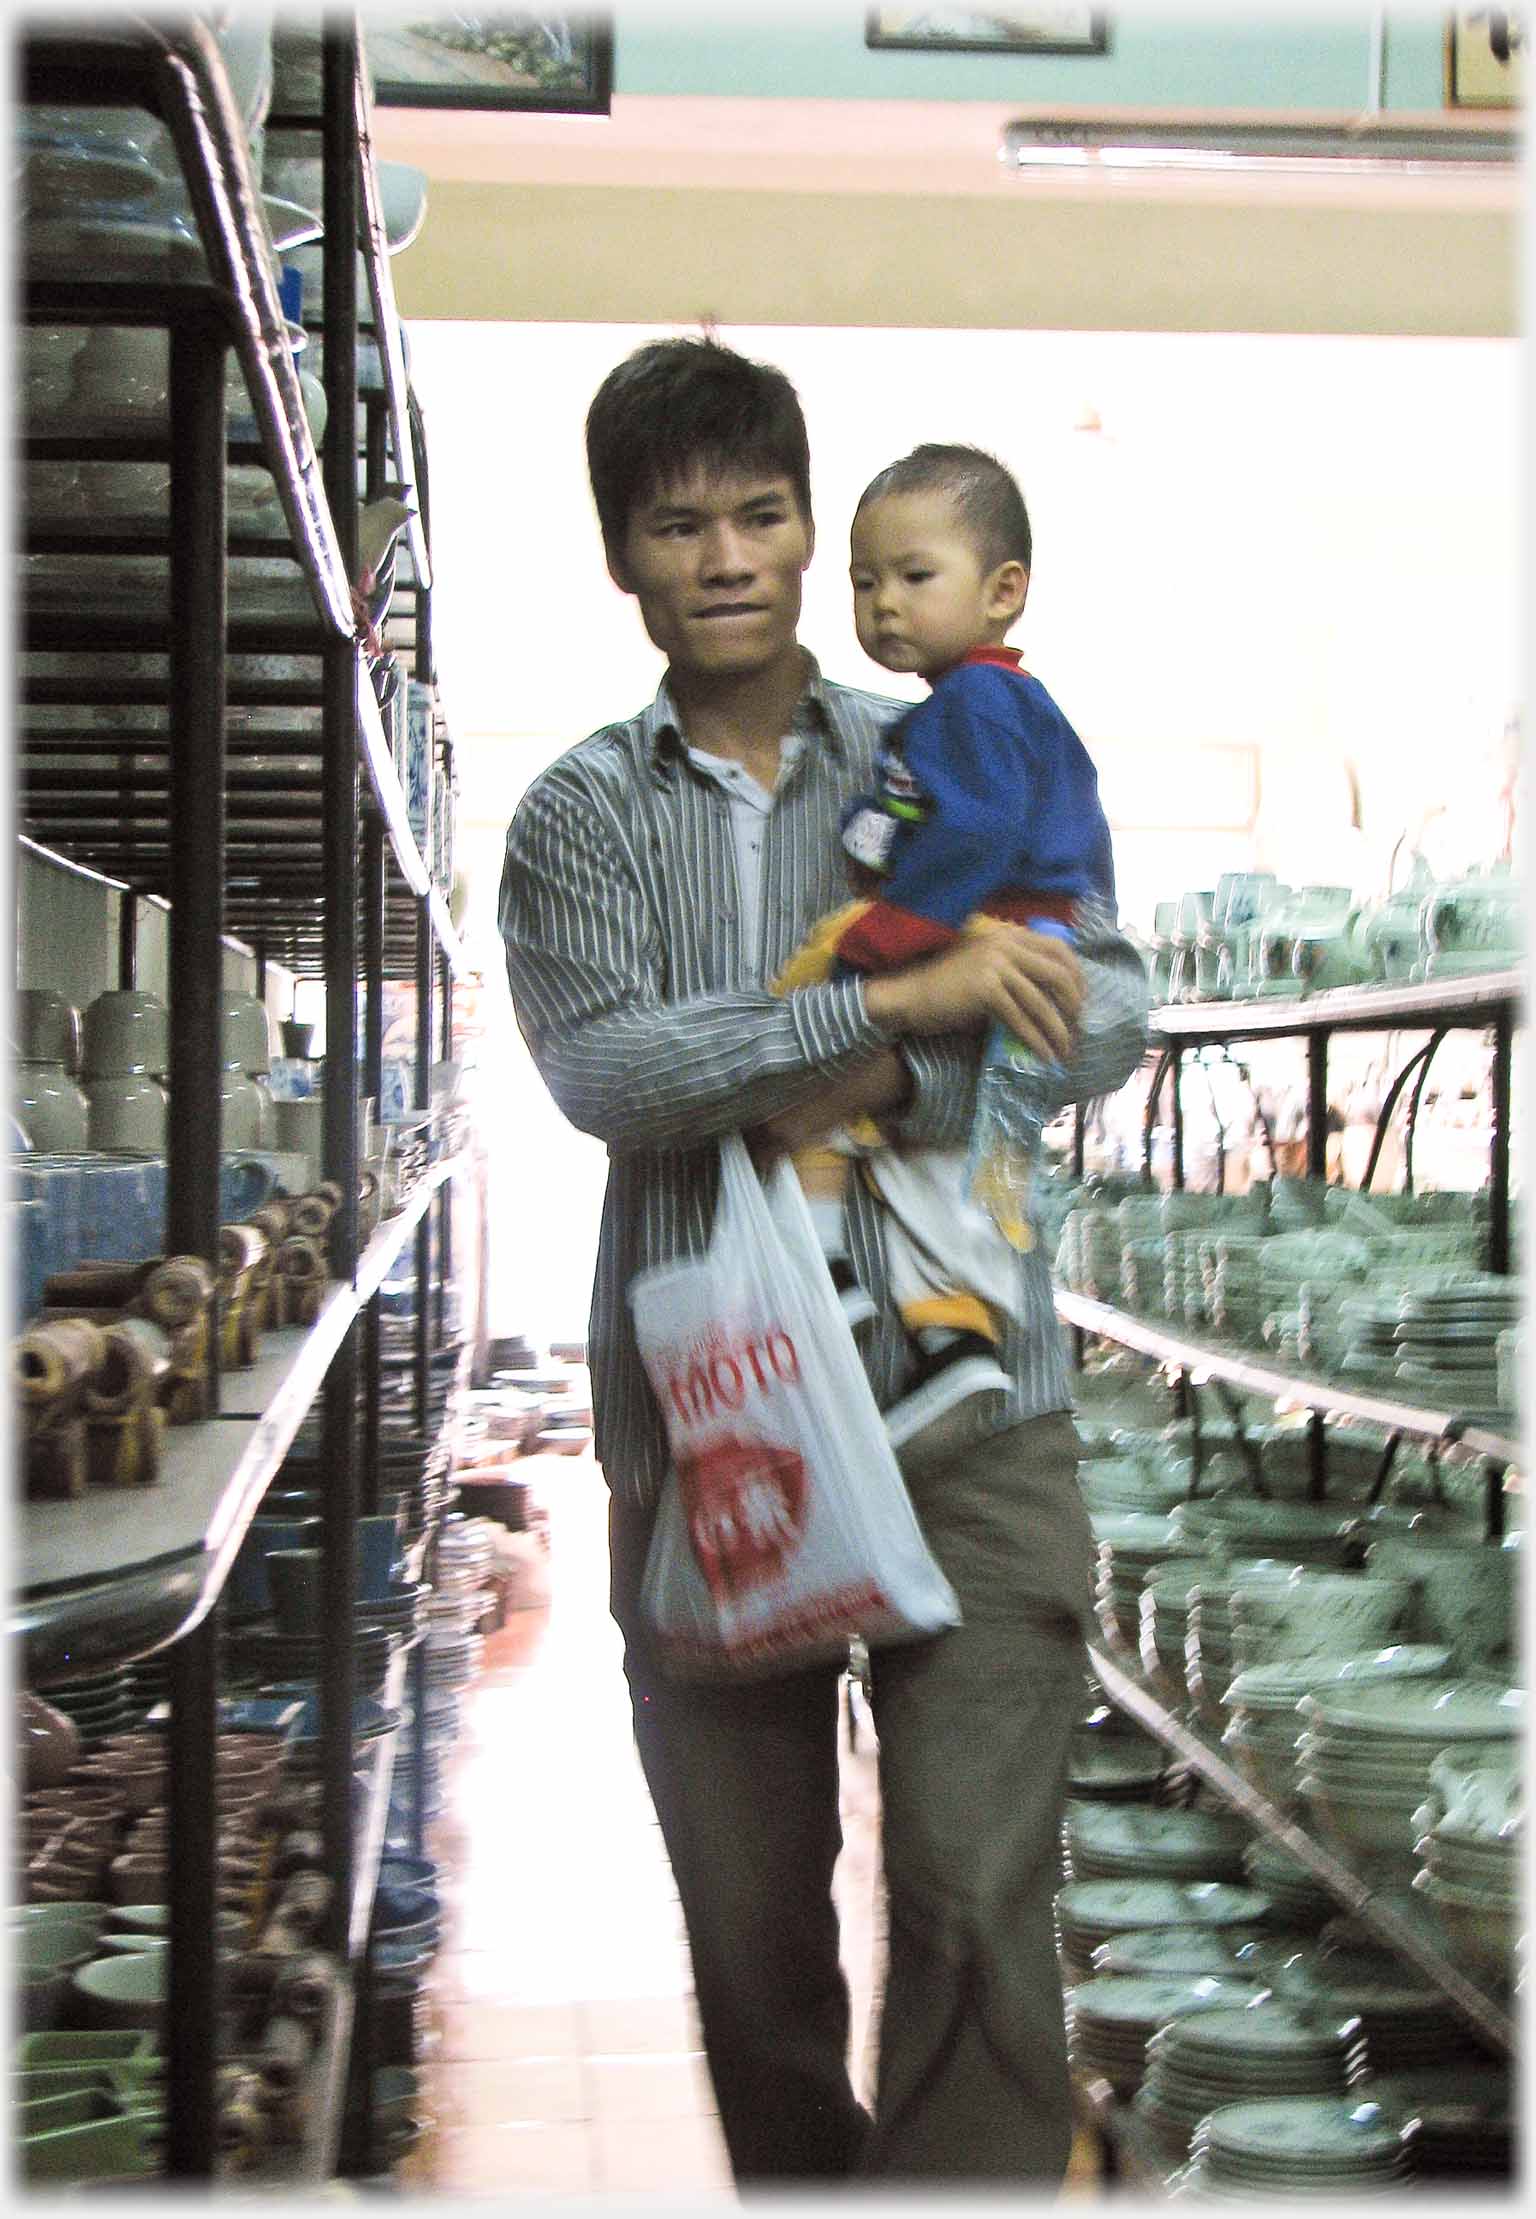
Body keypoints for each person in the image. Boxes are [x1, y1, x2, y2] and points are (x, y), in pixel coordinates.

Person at [498, 335, 1148, 2186]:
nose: (726, 556)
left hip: (969, 1416)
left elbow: (1109, 1005)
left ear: (810, 529)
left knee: (967, 1893)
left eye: (762, 514)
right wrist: (908, 1004)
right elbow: (607, 1072)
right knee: (754, 1939)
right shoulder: (578, 814)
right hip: (722, 1436)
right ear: (621, 553)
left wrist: (900, 1037)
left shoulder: (955, 739)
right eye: (676, 522)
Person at [772, 441, 1122, 1470]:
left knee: (800, 1031)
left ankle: (837, 1273)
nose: (884, 605)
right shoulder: (983, 707)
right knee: (981, 1171)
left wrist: (880, 945)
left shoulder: (974, 703)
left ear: (1004, 589)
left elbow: (966, 837)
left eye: (914, 577)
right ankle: (956, 1339)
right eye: (864, 581)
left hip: (987, 929)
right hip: (1039, 938)